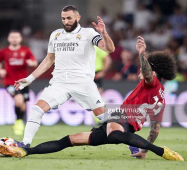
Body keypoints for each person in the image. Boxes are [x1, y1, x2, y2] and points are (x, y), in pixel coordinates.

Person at [0, 36, 184, 161]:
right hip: (122, 123)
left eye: (143, 71)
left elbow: (147, 74)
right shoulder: (161, 97)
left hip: (121, 121)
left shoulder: (152, 83)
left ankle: (160, 151)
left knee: (115, 134)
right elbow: (155, 128)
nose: (139, 75)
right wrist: (143, 151)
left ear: (153, 71)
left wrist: (142, 54)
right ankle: (25, 151)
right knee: (68, 140)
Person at [13, 5, 115, 147]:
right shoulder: (56, 35)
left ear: (77, 18)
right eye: (63, 18)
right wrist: (30, 78)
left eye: (69, 18)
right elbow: (49, 60)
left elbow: (109, 49)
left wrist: (104, 33)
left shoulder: (89, 33)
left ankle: (131, 143)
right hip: (59, 82)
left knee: (106, 118)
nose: (66, 21)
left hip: (82, 82)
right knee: (36, 109)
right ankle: (25, 144)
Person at [0, 30, 38, 135]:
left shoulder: (26, 50)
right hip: (10, 82)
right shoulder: (3, 51)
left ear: (20, 39)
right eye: (12, 37)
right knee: (19, 99)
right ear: (9, 39)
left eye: (16, 37)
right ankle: (18, 123)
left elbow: (35, 62)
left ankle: (19, 121)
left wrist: (31, 63)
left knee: (23, 104)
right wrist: (0, 70)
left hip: (24, 82)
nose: (14, 39)